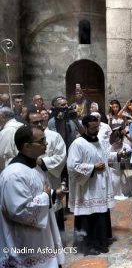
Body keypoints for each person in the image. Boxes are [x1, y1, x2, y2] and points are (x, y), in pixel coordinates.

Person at [0, 126, 65, 267]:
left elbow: (39, 193)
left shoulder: (34, 167)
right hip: (27, 242)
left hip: (41, 236)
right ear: (27, 146)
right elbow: (18, 211)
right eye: (41, 141)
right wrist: (46, 197)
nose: (46, 144)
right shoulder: (13, 174)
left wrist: (52, 194)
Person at [67, 115, 119, 255]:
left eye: (97, 127)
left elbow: (105, 156)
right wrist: (93, 167)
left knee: (101, 214)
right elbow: (72, 166)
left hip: (101, 185)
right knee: (89, 215)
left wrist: (118, 156)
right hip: (87, 188)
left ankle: (101, 241)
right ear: (85, 127)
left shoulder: (100, 141)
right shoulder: (78, 144)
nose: (96, 130)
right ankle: (89, 244)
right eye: (93, 127)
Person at [27, 111, 67, 239]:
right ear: (28, 123)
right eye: (35, 122)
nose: (39, 124)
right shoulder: (25, 137)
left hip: (51, 178)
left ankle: (59, 242)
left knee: (54, 208)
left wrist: (43, 162)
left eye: (41, 121)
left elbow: (61, 156)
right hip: (32, 180)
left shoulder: (54, 136)